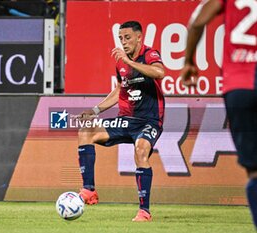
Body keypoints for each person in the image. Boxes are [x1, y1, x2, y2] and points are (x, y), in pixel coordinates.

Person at [77, 20, 165, 222]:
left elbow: (160, 73)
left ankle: (144, 211)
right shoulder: (120, 62)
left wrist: (130, 60)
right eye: (120, 38)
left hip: (149, 121)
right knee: (86, 131)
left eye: (127, 38)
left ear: (139, 37)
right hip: (126, 120)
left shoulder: (149, 54)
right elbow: (120, 90)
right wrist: (95, 110)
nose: (123, 42)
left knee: (141, 149)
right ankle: (89, 190)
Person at [180, 0, 257, 227]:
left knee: (254, 172)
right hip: (241, 85)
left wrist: (188, 61)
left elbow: (197, 21)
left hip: (239, 87)